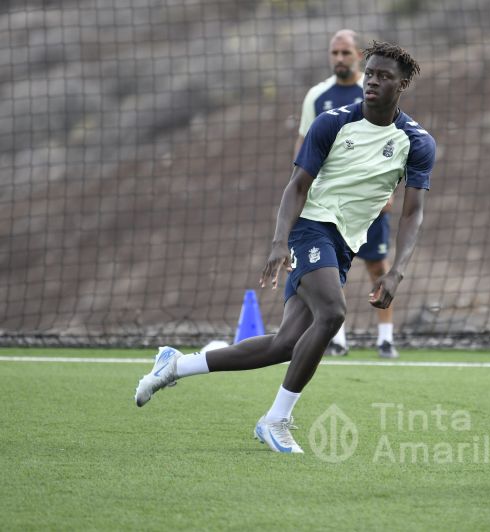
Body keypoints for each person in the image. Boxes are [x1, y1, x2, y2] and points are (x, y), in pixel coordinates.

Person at [134, 41, 435, 454]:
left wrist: (397, 269)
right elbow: (296, 186)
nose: (372, 81)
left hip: (345, 244)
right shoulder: (332, 122)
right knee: (332, 313)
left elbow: (412, 212)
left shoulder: (416, 142)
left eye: (384, 77)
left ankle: (176, 365)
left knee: (284, 345)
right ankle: (275, 420)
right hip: (311, 229)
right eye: (370, 74)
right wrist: (279, 242)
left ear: (401, 86)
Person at [294, 29, 400, 359]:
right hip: (328, 206)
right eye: (334, 53)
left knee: (376, 265)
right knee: (332, 267)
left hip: (368, 205)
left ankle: (386, 338)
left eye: (345, 53)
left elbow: (393, 143)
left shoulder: (372, 91)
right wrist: (301, 192)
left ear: (358, 56)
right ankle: (338, 338)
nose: (339, 59)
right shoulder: (317, 96)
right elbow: (303, 146)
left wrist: (389, 190)